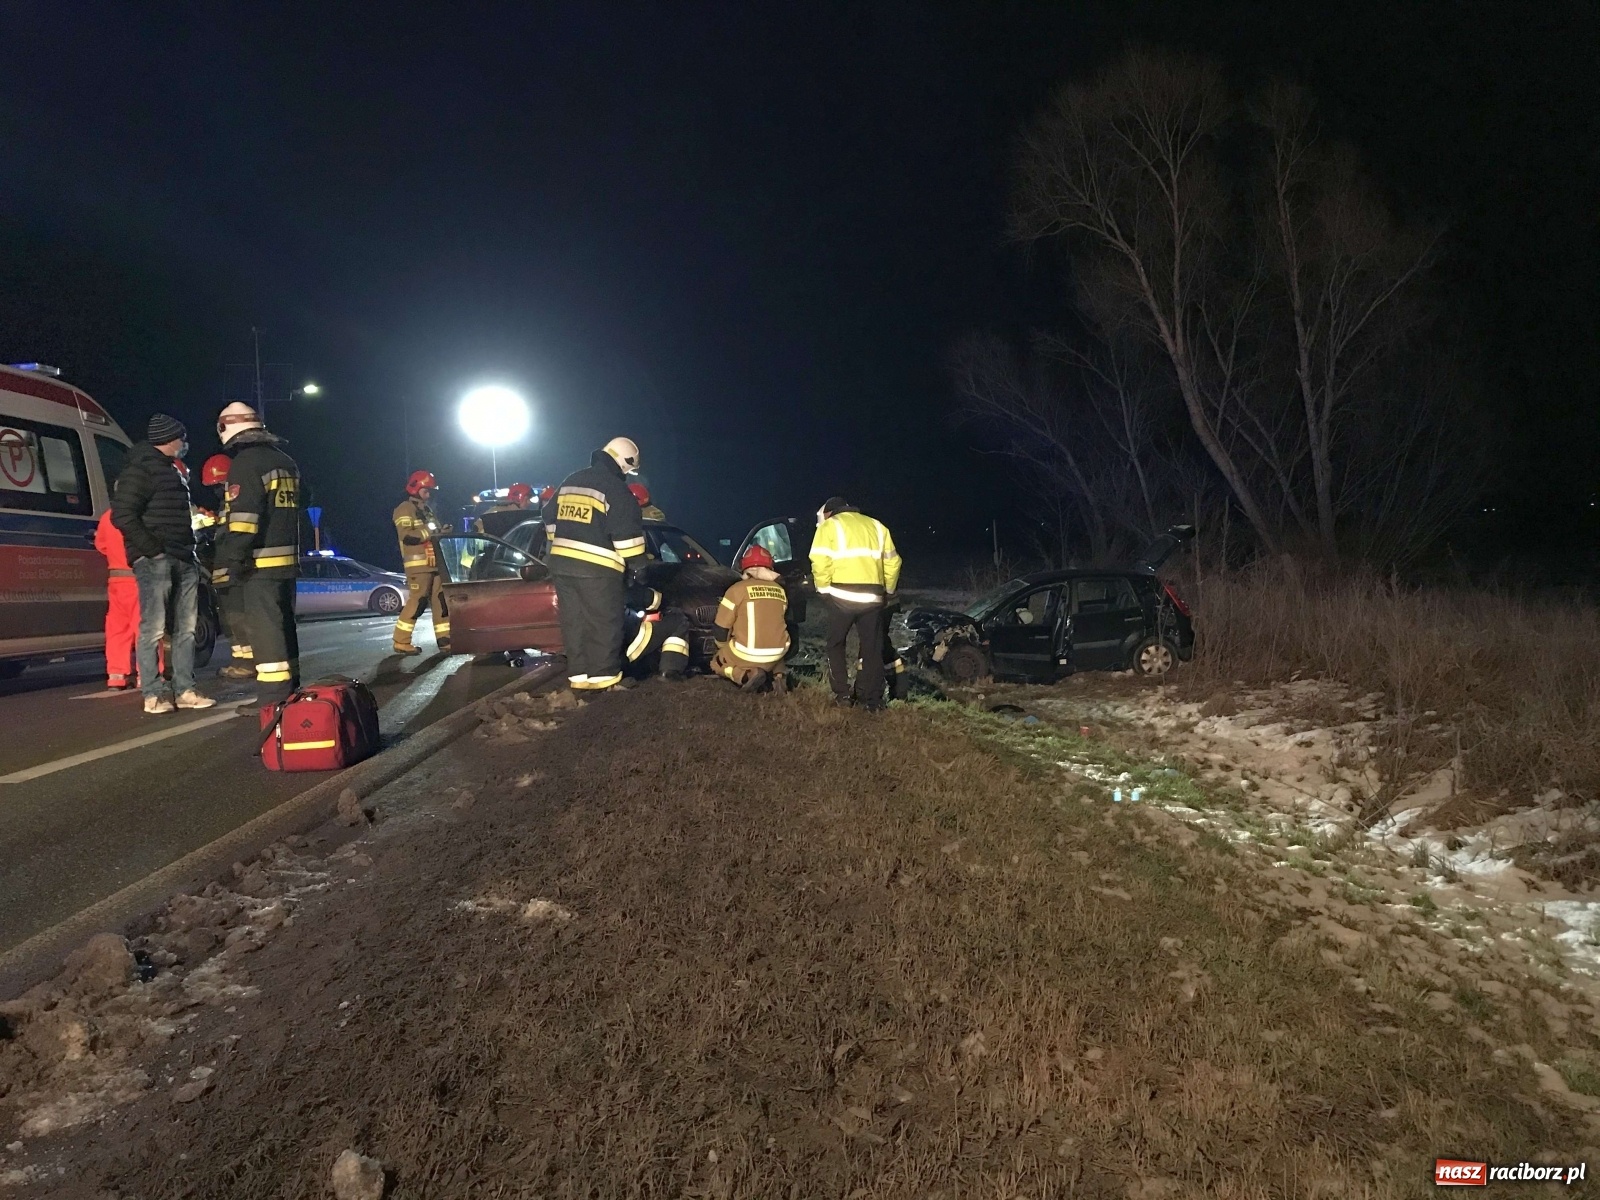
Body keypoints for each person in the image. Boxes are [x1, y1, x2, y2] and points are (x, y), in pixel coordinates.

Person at [110, 414, 215, 714]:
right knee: (153, 629)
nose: (185, 444)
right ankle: (154, 694)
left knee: (187, 629)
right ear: (169, 440)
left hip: (183, 557)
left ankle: (185, 690)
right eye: (182, 438)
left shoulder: (172, 471)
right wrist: (152, 551)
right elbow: (123, 516)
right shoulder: (140, 471)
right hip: (157, 559)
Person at [214, 402, 303, 708]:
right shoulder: (286, 461)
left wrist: (233, 559)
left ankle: (273, 699)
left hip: (259, 564)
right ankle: (292, 689)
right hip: (287, 562)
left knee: (265, 632)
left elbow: (243, 521)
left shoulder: (246, 464)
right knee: (284, 627)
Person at [546, 436, 647, 695]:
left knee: (575, 622)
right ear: (624, 462)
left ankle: (580, 676)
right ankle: (605, 677)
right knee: (604, 623)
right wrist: (638, 567)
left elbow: (548, 515)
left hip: (562, 566)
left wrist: (560, 545)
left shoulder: (572, 480)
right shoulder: (614, 488)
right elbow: (627, 538)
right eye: (629, 469)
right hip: (598, 570)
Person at [809, 496, 901, 711]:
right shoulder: (877, 526)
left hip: (841, 596)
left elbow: (820, 560)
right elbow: (893, 562)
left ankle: (842, 694)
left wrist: (823, 589)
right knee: (872, 648)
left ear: (829, 513)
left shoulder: (830, 526)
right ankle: (872, 700)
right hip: (873, 597)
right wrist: (887, 590)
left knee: (835, 644)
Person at [199, 452, 253, 680]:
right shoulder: (227, 505)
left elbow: (234, 535)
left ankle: (247, 663)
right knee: (230, 619)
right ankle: (239, 661)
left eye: (219, 485)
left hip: (233, 570)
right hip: (225, 571)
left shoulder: (237, 502)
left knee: (236, 618)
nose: (217, 490)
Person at [711, 544, 791, 693]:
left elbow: (721, 629)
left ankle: (747, 676)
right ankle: (779, 676)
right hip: (779, 651)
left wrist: (724, 649)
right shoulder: (781, 590)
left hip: (747, 652)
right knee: (774, 648)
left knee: (717, 662)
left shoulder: (736, 589)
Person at [391, 470, 452, 655]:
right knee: (418, 602)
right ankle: (401, 641)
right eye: (426, 490)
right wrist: (430, 532)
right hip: (418, 566)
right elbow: (407, 535)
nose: (429, 494)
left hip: (435, 564)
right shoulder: (404, 508)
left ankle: (445, 640)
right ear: (416, 487)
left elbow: (433, 532)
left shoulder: (426, 510)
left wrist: (443, 532)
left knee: (440, 602)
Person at [93, 506, 140, 690]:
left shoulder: (107, 516)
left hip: (116, 579)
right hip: (138, 578)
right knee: (145, 627)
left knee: (117, 628)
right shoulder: (139, 512)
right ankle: (147, 674)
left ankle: (116, 676)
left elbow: (101, 545)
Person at [620, 583, 690, 681]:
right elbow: (651, 599)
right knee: (678, 621)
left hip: (597, 653)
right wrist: (664, 597)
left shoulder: (592, 585)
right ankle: (670, 672)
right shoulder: (610, 581)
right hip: (622, 650)